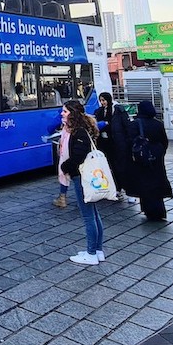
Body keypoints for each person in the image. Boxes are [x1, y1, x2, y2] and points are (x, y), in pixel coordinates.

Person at [59, 99, 105, 265]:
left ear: (72, 113)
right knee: (93, 214)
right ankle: (98, 250)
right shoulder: (85, 128)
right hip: (86, 175)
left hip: (81, 176)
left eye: (64, 111)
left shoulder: (79, 132)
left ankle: (91, 253)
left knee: (88, 216)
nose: (61, 114)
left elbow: (78, 156)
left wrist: (65, 167)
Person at [123, 100, 172, 221]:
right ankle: (159, 210)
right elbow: (164, 141)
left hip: (142, 157)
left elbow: (129, 142)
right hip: (157, 156)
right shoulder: (158, 124)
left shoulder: (135, 124)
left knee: (145, 183)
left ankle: (148, 210)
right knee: (157, 182)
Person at [94, 92, 135, 204]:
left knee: (122, 167)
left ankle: (129, 192)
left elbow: (127, 127)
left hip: (119, 144)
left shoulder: (118, 110)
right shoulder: (98, 112)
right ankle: (116, 189)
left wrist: (127, 142)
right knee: (111, 167)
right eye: (101, 100)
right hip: (105, 144)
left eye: (104, 100)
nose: (102, 102)